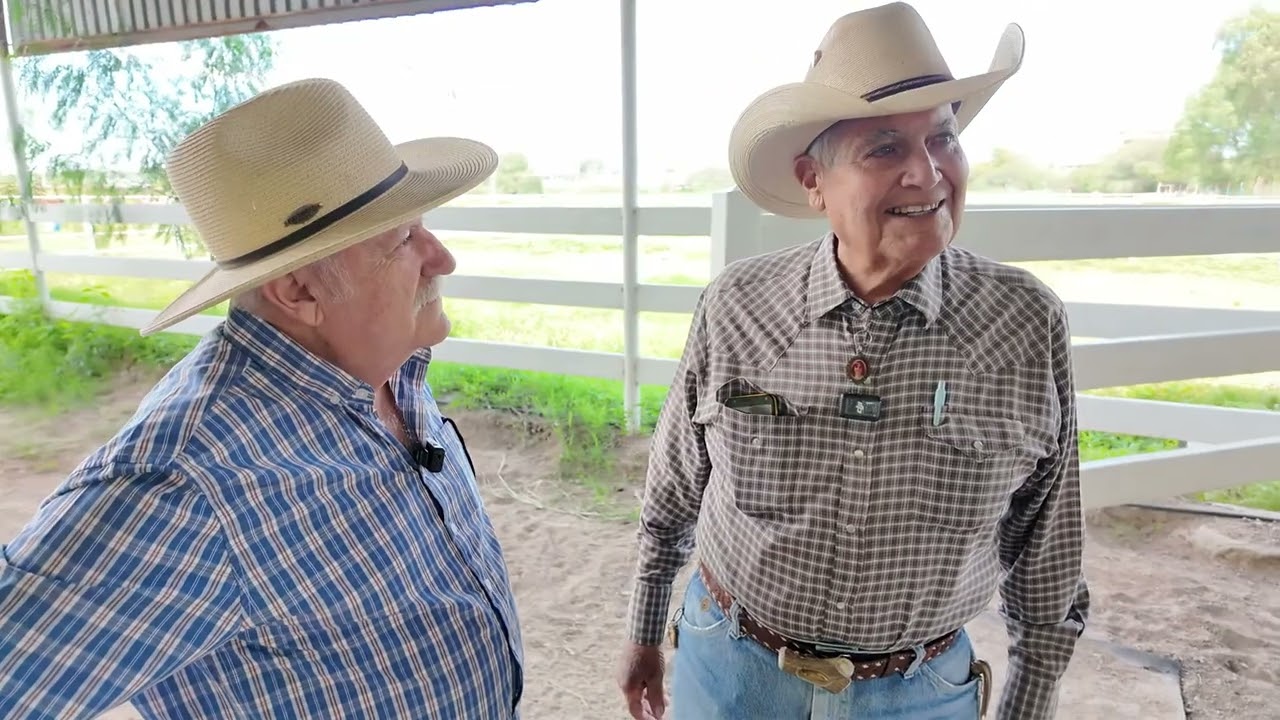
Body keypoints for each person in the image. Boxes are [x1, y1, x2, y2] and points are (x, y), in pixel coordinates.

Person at [618, 4, 1088, 719]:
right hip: (730, 671)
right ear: (814, 179)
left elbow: (1047, 546)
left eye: (944, 138)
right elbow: (672, 496)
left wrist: (1028, 705)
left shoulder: (1024, 323)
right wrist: (644, 629)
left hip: (919, 692)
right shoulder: (738, 305)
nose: (927, 173)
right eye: (885, 149)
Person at [0, 78, 524, 719]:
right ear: (301, 292)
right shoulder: (187, 484)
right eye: (402, 239)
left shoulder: (377, 367)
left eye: (421, 227)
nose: (442, 259)